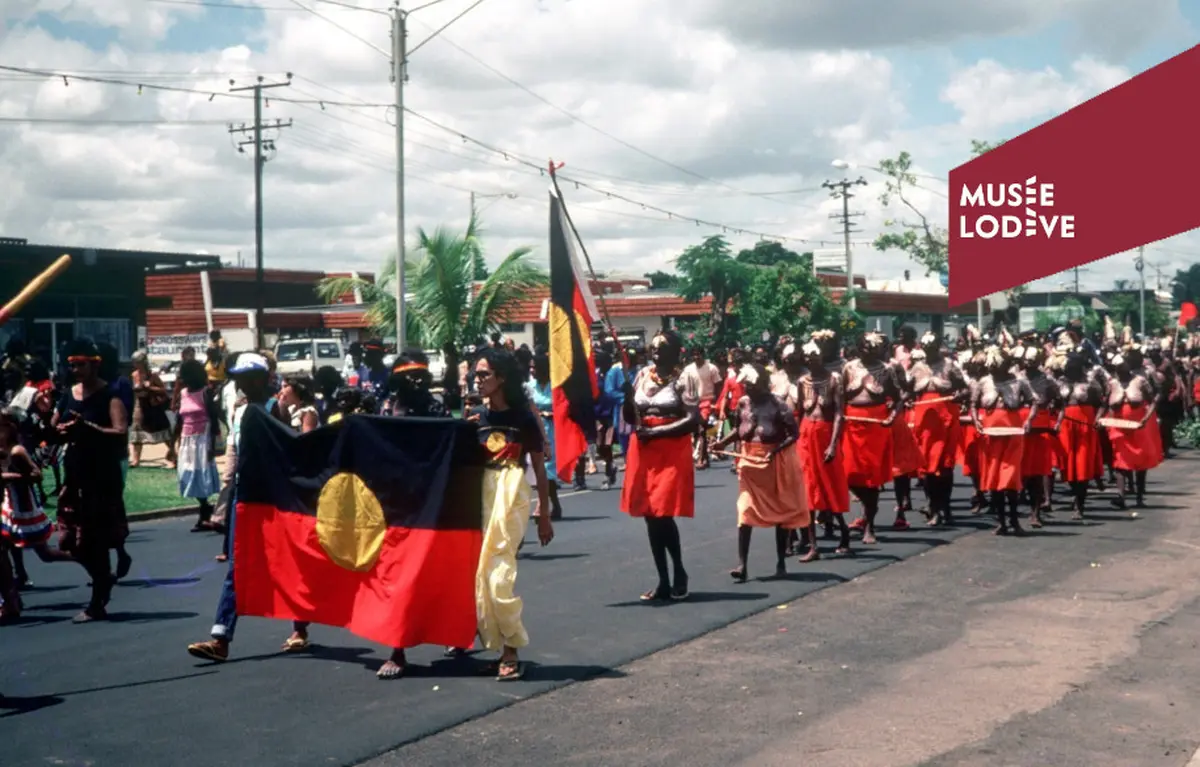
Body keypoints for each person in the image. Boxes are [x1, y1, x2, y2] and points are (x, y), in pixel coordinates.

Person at [467, 348, 554, 681]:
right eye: (476, 374)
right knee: (481, 575)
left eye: (484, 374)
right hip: (481, 496)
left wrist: (543, 513)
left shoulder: (523, 418)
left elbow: (539, 470)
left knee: (499, 574)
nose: (478, 379)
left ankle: (512, 650)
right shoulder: (475, 416)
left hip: (511, 492)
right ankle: (498, 641)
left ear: (501, 378)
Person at [186, 353, 272, 661]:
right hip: (244, 495)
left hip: (276, 499)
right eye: (239, 378)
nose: (243, 384)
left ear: (263, 378)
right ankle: (220, 637)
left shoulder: (278, 410)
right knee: (238, 565)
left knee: (289, 563)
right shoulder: (239, 411)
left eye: (249, 378)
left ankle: (300, 627)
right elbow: (234, 451)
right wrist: (226, 492)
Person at [52, 338, 130, 622]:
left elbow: (120, 431)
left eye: (80, 365)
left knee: (96, 540)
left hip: (101, 476)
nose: (75, 370)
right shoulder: (67, 394)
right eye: (71, 365)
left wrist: (88, 428)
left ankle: (97, 601)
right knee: (68, 541)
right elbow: (54, 426)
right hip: (74, 474)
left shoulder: (110, 395)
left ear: (95, 365)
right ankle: (103, 577)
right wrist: (56, 428)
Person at [620, 330, 699, 602]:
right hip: (643, 449)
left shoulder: (683, 378)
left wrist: (658, 433)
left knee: (663, 513)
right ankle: (663, 579)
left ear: (676, 351)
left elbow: (692, 420)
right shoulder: (642, 375)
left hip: (670, 449)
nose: (655, 350)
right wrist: (626, 399)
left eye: (662, 347)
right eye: (653, 346)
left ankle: (679, 571)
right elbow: (632, 416)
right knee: (650, 515)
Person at [713, 362, 805, 581]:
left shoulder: (778, 404)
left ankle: (781, 562)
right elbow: (739, 429)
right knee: (745, 512)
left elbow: (794, 433)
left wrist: (774, 452)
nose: (749, 390)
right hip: (749, 464)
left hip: (774, 463)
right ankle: (742, 565)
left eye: (753, 386)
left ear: (764, 384)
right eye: (747, 386)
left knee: (781, 515)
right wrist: (722, 443)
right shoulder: (744, 403)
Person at [842, 332, 902, 546]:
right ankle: (866, 515)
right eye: (867, 348)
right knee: (848, 474)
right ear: (859, 348)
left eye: (874, 349)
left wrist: (891, 418)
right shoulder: (848, 368)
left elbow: (898, 400)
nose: (871, 352)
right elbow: (840, 397)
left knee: (871, 480)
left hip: (876, 426)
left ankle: (869, 525)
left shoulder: (886, 370)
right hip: (851, 424)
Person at [793, 334, 850, 557]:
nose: (811, 360)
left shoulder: (834, 380)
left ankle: (843, 531)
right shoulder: (802, 382)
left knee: (830, 486)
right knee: (808, 488)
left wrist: (833, 445)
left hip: (826, 435)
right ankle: (813, 545)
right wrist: (797, 441)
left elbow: (838, 414)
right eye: (807, 357)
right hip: (807, 436)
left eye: (815, 356)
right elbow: (800, 414)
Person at [971, 345, 1037, 535]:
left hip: (1013, 432)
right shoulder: (984, 382)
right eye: (992, 368)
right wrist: (976, 421)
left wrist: (1028, 421)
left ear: (1006, 365)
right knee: (994, 479)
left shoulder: (1019, 382)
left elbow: (1033, 402)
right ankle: (1002, 522)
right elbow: (974, 404)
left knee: (1010, 478)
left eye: (997, 368)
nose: (994, 371)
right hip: (990, 434)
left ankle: (1014, 520)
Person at [908, 331, 967, 527]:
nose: (929, 352)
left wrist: (959, 396)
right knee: (926, 466)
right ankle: (932, 505)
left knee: (945, 465)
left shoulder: (949, 365)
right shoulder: (917, 367)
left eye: (932, 349)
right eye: (926, 349)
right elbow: (906, 390)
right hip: (925, 421)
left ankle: (945, 507)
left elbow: (965, 388)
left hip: (946, 419)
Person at [1106, 345, 1162, 508]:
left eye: (1121, 368)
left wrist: (1145, 418)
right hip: (1118, 426)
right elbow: (1107, 404)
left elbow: (1152, 401)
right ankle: (1121, 496)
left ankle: (1139, 496)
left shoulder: (1140, 381)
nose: (1119, 371)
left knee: (1140, 461)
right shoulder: (1113, 383)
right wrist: (1107, 420)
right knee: (1120, 460)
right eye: (1117, 369)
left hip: (1138, 425)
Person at [1053, 347, 1106, 519]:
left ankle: (1080, 504)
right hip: (1066, 425)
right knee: (1067, 464)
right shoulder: (1061, 382)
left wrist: (1097, 419)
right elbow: (1056, 404)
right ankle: (1075, 493)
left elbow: (1102, 403)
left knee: (1082, 464)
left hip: (1085, 425)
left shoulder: (1090, 383)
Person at [173, 359, 222, 532]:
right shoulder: (183, 393)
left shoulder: (205, 392)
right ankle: (205, 507)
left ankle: (205, 514)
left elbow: (214, 419)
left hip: (203, 438)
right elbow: (179, 418)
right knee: (187, 474)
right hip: (187, 439)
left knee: (201, 475)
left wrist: (212, 446)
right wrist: (174, 443)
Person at [1019, 346, 1062, 527]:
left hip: (1040, 427)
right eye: (1026, 361)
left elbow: (1060, 402)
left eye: (1032, 361)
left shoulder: (1047, 380)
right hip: (1019, 426)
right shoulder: (1017, 378)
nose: (1028, 365)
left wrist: (1057, 423)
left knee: (1037, 473)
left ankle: (1035, 513)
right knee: (1020, 472)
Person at [529, 353, 564, 519]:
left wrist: (550, 413)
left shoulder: (556, 386)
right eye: (530, 367)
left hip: (552, 430)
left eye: (534, 367)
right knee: (535, 468)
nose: (531, 370)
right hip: (534, 429)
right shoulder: (529, 386)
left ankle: (542, 505)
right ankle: (555, 505)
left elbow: (564, 405)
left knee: (548, 468)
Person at [129, 350, 175, 468]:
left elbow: (163, 390)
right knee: (136, 431)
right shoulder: (134, 375)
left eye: (137, 362)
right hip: (140, 404)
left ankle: (174, 456)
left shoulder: (153, 375)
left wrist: (150, 387)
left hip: (153, 406)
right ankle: (136, 460)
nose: (135, 365)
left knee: (164, 432)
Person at [681, 345, 721, 470]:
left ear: (703, 355)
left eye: (699, 354)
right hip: (693, 403)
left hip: (707, 402)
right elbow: (682, 386)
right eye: (694, 355)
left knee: (702, 429)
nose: (697, 357)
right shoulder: (688, 370)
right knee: (696, 431)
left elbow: (718, 385)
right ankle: (704, 456)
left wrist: (717, 403)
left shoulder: (712, 368)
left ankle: (701, 459)